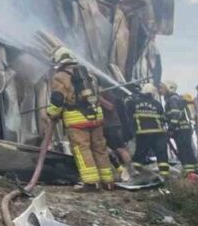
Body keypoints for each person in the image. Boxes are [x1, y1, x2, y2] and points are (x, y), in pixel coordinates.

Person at [46, 47, 114, 190]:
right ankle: (108, 181)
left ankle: (91, 183)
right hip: (96, 116)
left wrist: (52, 113)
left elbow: (57, 100)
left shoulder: (60, 76)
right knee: (100, 148)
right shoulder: (88, 73)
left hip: (77, 120)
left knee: (82, 149)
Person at [132, 83, 170, 179]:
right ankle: (165, 175)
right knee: (161, 154)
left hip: (143, 132)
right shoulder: (157, 103)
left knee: (140, 154)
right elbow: (163, 118)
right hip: (159, 132)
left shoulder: (134, 102)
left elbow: (129, 116)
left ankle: (136, 174)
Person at [161, 84, 198, 176]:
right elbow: (170, 115)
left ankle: (190, 172)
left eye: (162, 88)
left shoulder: (173, 99)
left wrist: (170, 128)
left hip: (180, 128)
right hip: (183, 128)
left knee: (184, 150)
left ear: (168, 88)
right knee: (187, 149)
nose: (160, 90)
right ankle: (193, 169)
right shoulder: (174, 99)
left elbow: (175, 114)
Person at [101, 92, 135, 182]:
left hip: (112, 127)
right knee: (108, 149)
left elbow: (110, 107)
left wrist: (99, 99)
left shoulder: (107, 95)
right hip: (106, 127)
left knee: (120, 149)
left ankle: (131, 171)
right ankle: (123, 171)